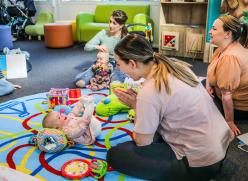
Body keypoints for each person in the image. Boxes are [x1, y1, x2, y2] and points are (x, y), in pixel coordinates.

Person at [106, 34, 234, 181]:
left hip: (200, 164)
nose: (118, 68)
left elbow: (142, 142)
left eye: (118, 64)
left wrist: (136, 105)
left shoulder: (149, 91)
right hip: (221, 146)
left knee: (115, 154)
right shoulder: (175, 66)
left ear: (133, 63)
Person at [207, 14, 248, 136]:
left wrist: (229, 121)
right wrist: (208, 85)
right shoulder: (223, 48)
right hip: (222, 92)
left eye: (214, 29)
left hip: (237, 108)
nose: (210, 31)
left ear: (227, 34)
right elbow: (211, 67)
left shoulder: (229, 57)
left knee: (194, 105)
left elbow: (227, 96)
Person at [74, 10, 128, 88]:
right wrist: (98, 47)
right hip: (101, 63)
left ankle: (110, 79)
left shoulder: (126, 37)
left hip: (118, 64)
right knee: (80, 83)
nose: (110, 25)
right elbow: (87, 47)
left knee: (116, 84)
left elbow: (131, 55)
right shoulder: (103, 33)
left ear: (121, 25)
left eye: (114, 23)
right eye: (110, 21)